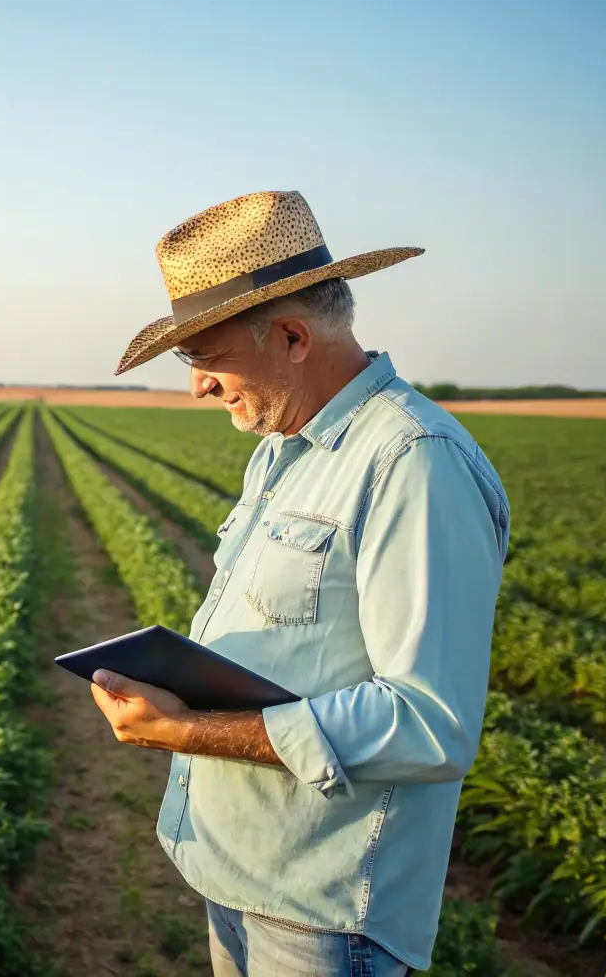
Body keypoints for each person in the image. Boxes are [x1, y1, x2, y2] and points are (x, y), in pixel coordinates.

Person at [89, 191, 510, 976]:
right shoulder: (282, 452)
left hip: (321, 909)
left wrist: (188, 732)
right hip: (241, 871)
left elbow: (428, 720)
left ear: (289, 337)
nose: (198, 389)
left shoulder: (411, 461)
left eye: (204, 360)